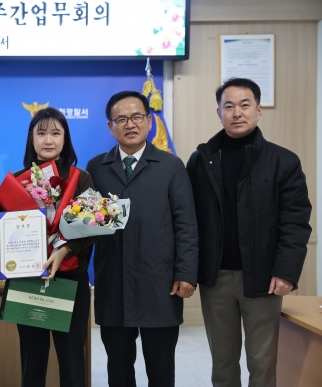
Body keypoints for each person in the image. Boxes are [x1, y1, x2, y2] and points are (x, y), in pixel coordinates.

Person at [186, 77, 312, 387]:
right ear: (219, 113)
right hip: (215, 277)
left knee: (262, 364)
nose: (237, 113)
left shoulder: (283, 161)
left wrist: (286, 272)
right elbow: (188, 220)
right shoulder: (201, 160)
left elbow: (295, 222)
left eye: (245, 105)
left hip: (263, 278)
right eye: (229, 106)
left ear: (259, 110)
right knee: (223, 365)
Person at [86, 91, 198, 387]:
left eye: (137, 117)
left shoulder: (171, 166)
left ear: (149, 121)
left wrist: (186, 273)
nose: (130, 124)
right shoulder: (96, 167)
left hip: (159, 284)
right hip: (114, 283)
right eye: (121, 119)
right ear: (110, 127)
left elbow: (186, 224)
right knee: (118, 370)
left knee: (161, 371)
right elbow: (87, 224)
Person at [13, 107, 97, 387]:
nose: (48, 139)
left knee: (72, 364)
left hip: (70, 280)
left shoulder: (80, 177)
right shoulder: (17, 181)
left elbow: (94, 228)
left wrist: (64, 250)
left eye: (55, 133)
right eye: (41, 133)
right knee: (32, 363)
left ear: (65, 138)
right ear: (31, 139)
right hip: (28, 280)